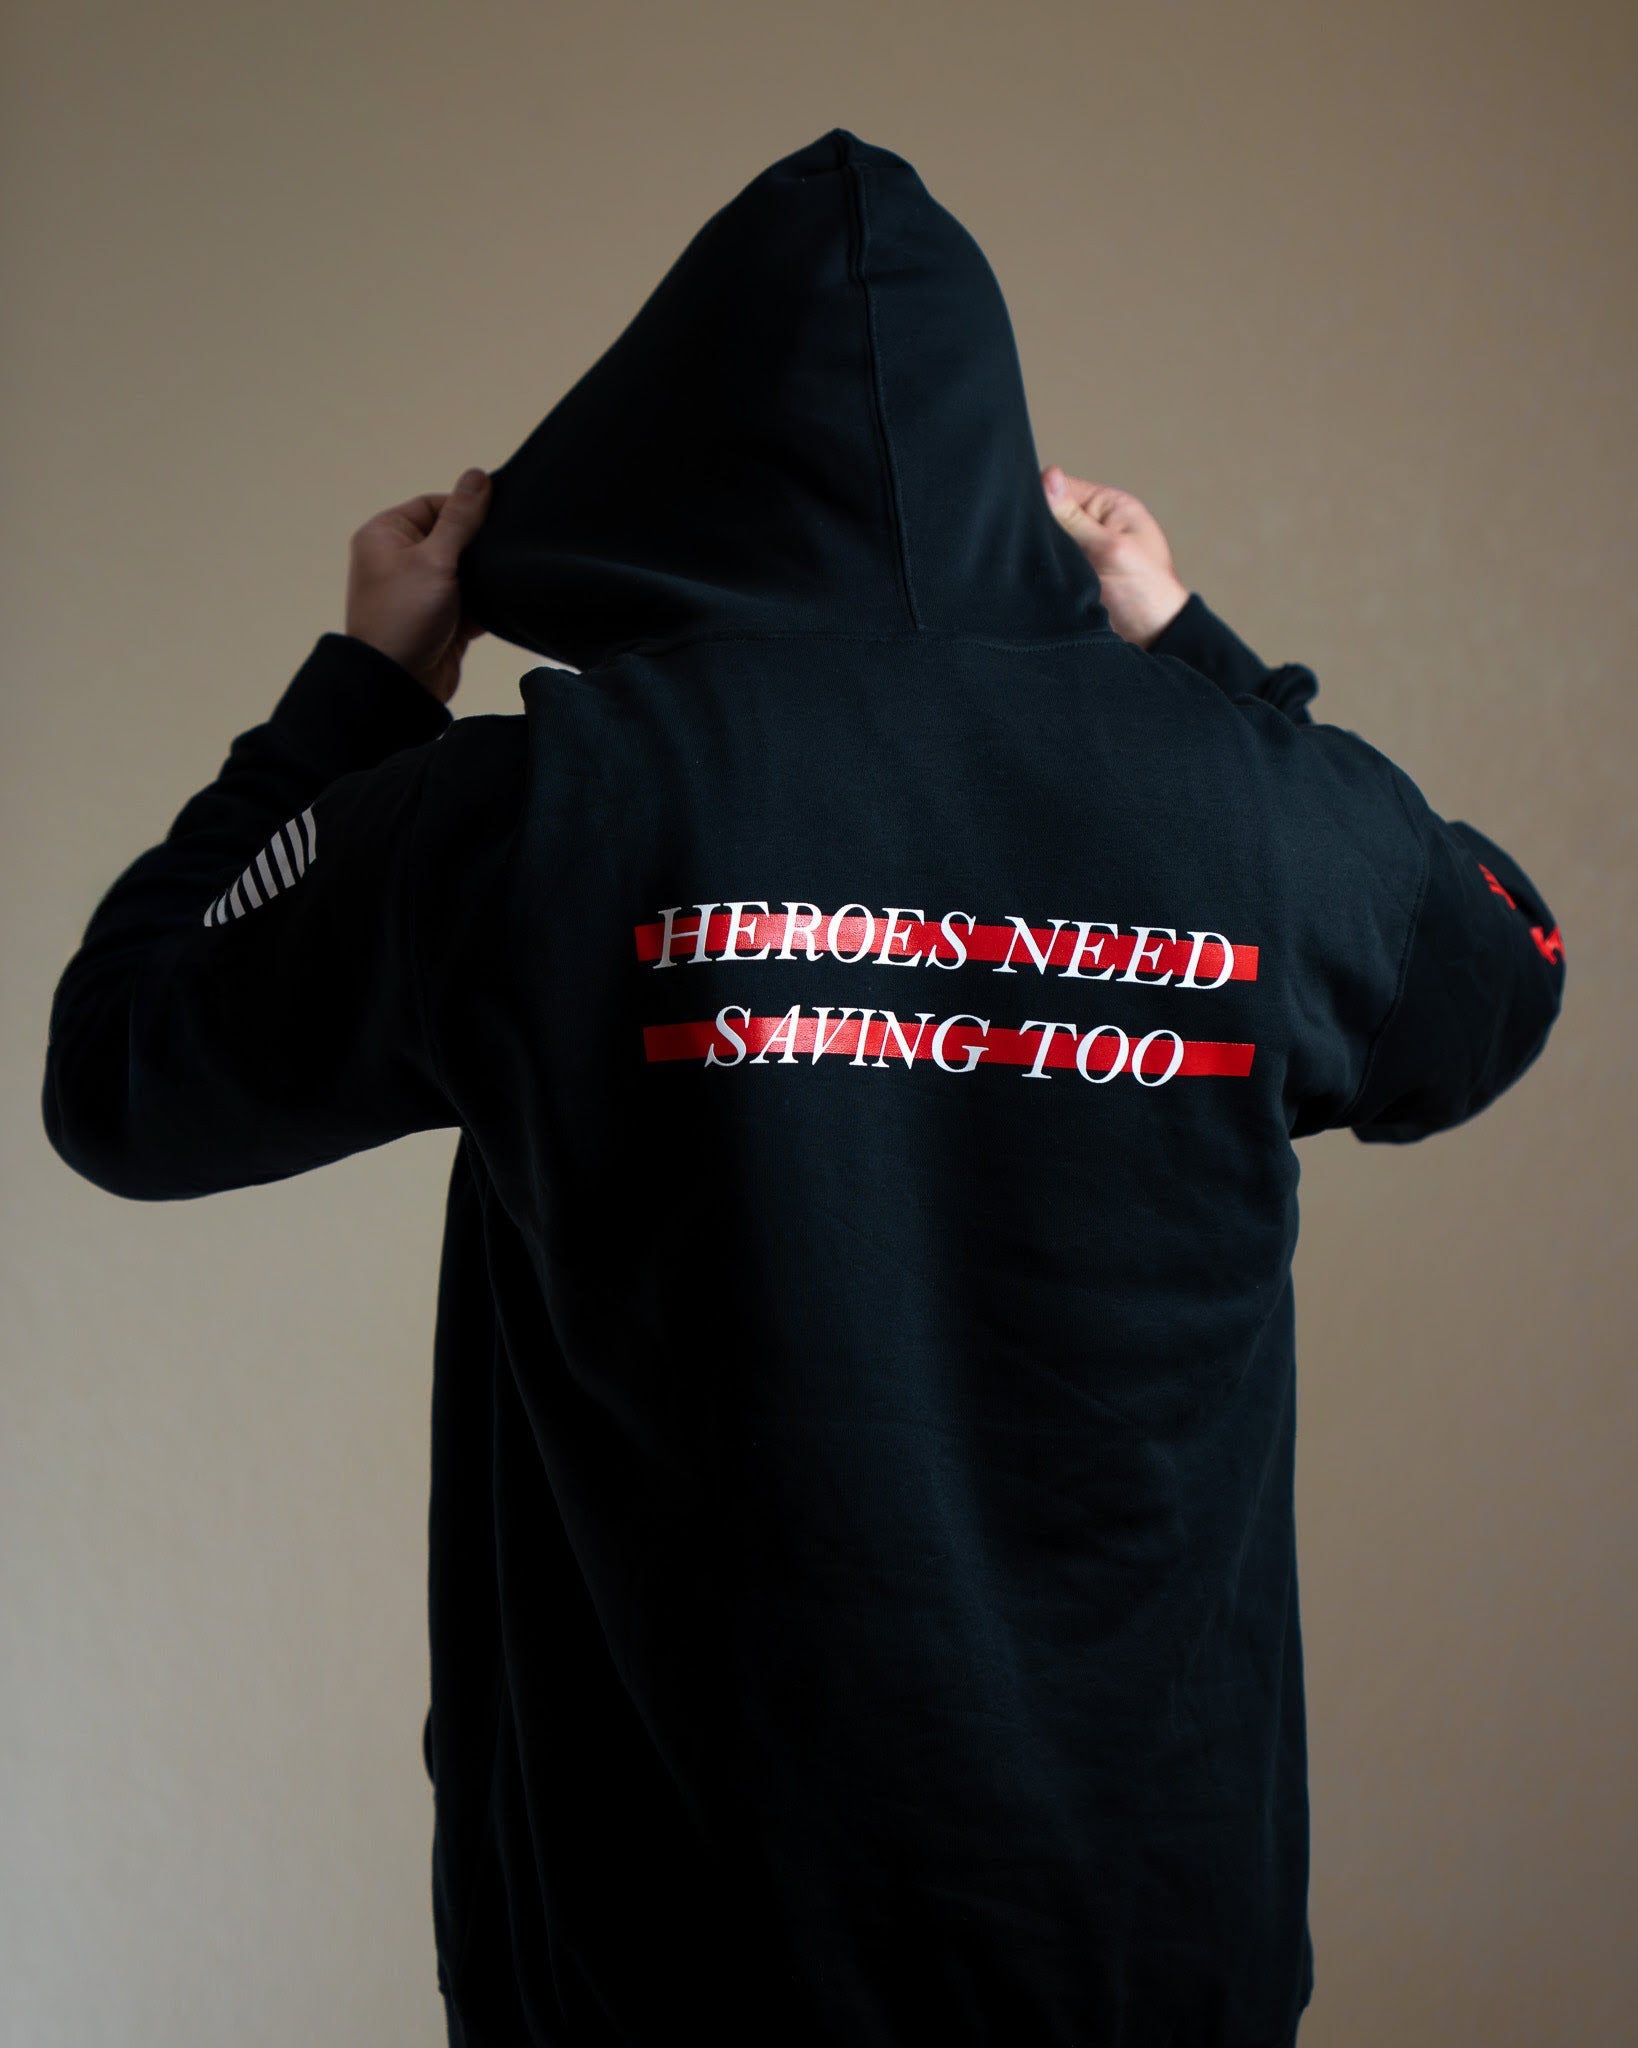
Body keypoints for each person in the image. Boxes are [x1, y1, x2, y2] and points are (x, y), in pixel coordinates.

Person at [40, 127, 1566, 2048]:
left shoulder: (539, 807)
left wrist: (356, 695)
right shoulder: (1247, 812)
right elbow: (1500, 975)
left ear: (662, 451)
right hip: (1149, 1957)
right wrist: (1191, 656)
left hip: (661, 1962)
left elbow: (123, 1066)